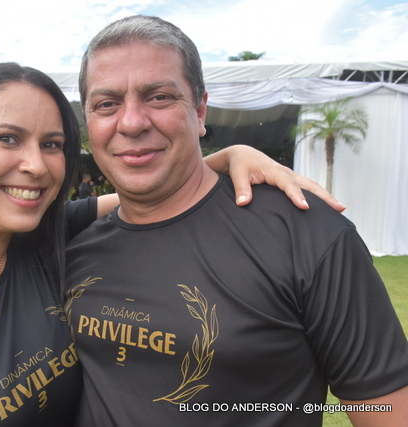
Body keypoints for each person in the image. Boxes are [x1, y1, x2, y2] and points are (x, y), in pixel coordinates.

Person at [0, 62, 341, 425]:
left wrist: (230, 156)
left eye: (52, 144)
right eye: (7, 138)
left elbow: (152, 191)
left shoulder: (45, 242)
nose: (36, 166)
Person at [63, 15, 408, 427]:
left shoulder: (303, 233)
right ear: (88, 122)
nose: (132, 122)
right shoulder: (69, 244)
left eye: (159, 97)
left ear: (200, 110)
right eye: (107, 104)